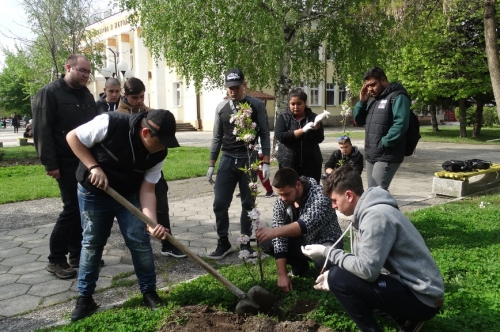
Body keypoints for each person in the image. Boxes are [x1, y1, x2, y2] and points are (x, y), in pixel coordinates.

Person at [66, 109, 178, 321]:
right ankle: (85, 298)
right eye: (161, 141)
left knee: (140, 241)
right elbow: (72, 137)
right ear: (145, 132)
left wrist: (151, 223)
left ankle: (149, 292)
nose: (164, 146)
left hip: (129, 194)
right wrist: (94, 167)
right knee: (92, 243)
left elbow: (147, 190)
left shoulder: (159, 154)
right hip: (94, 193)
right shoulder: (111, 123)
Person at [302, 165, 444, 332]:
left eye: (334, 200)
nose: (333, 206)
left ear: (348, 195)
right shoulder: (366, 212)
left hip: (423, 299)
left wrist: (326, 252)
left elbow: (367, 270)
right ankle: (406, 319)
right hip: (413, 290)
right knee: (339, 274)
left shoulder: (376, 216)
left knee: (338, 277)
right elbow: (364, 264)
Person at [32, 54, 99, 279]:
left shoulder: (86, 94)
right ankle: (55, 259)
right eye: (82, 71)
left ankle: (77, 255)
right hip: (64, 161)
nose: (86, 75)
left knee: (82, 209)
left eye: (88, 72)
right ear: (68, 67)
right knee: (71, 209)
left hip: (84, 160)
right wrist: (50, 164)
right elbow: (42, 131)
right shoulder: (49, 93)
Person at [206, 68, 271, 259]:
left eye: (236, 87)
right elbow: (216, 137)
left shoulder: (256, 105)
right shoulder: (221, 108)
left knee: (248, 203)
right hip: (227, 159)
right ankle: (223, 242)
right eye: (229, 88)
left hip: (249, 159)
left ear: (244, 84)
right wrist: (211, 164)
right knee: (219, 203)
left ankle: (245, 242)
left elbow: (265, 134)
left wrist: (265, 162)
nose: (232, 91)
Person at [117, 77, 185, 258]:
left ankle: (168, 243)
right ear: (126, 96)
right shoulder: (120, 116)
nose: (139, 101)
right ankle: (138, 243)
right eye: (135, 98)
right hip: (130, 171)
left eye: (141, 97)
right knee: (131, 209)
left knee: (160, 199)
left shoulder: (150, 114)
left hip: (151, 167)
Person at [255, 167, 343, 293]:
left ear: (298, 184)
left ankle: (331, 274)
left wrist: (273, 232)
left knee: (326, 263)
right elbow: (279, 236)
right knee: (266, 241)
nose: (283, 198)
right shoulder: (282, 200)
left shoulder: (320, 195)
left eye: (286, 194)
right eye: (279, 194)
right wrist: (282, 274)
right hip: (303, 243)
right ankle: (300, 266)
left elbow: (304, 225)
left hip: (326, 242)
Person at [353, 66, 410, 190]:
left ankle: (387, 210)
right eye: (367, 86)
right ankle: (386, 209)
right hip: (372, 154)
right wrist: (362, 102)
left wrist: (384, 143)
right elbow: (360, 120)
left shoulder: (398, 97)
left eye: (373, 85)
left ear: (383, 80)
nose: (369, 89)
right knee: (373, 191)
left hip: (387, 154)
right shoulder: (375, 100)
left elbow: (401, 124)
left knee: (376, 192)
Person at [274, 88, 325, 183]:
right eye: (292, 104)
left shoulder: (313, 117)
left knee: (311, 191)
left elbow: (319, 139)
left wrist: (317, 128)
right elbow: (280, 136)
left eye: (299, 103)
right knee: (291, 191)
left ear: (305, 103)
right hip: (288, 164)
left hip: (311, 164)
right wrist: (302, 130)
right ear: (288, 104)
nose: (296, 107)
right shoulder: (283, 117)